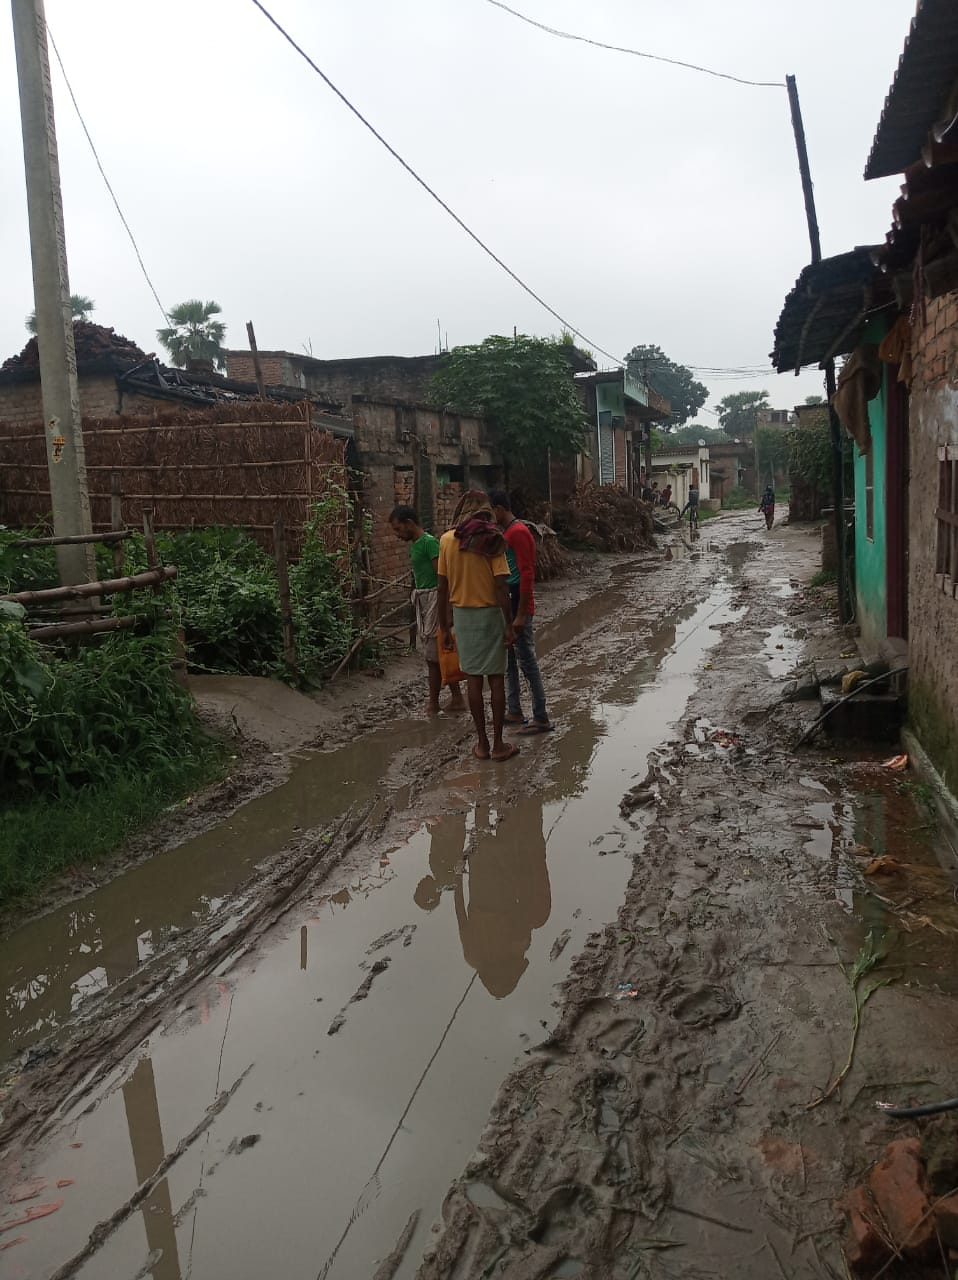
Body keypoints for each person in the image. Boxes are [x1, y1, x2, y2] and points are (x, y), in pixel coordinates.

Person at [437, 491, 519, 762]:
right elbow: (501, 586)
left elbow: (442, 587)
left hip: (463, 617)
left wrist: (444, 627)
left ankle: (482, 744)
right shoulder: (492, 539)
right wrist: (509, 625)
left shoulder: (446, 541)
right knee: (496, 679)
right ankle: (498, 745)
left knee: (473, 678)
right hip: (491, 615)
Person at [489, 490, 554, 736]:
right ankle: (514, 709)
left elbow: (527, 574)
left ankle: (541, 716)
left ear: (499, 509)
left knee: (526, 660)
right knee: (510, 660)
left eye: (490, 511)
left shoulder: (518, 532)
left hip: (518, 601)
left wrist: (521, 614)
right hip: (510, 600)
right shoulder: (508, 532)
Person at [389, 505, 464, 716]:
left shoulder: (429, 543)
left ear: (409, 523)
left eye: (398, 529)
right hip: (425, 600)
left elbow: (443, 577)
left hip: (434, 600)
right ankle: (456, 698)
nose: (397, 535)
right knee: (436, 653)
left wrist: (446, 609)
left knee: (433, 656)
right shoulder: (416, 545)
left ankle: (434, 703)